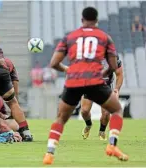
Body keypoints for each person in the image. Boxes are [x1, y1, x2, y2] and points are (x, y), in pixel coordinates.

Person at [43, 7, 128, 165]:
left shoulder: (70, 36)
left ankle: (49, 154)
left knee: (61, 118)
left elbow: (54, 63)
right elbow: (114, 66)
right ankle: (112, 145)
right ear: (96, 21)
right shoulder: (104, 37)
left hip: (74, 81)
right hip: (95, 81)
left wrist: (67, 69)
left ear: (82, 20)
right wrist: (103, 73)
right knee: (116, 110)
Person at [0, 58, 33, 141]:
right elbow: (15, 83)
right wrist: (15, 102)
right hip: (3, 72)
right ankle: (26, 133)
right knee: (13, 103)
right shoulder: (8, 63)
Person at [81, 55, 123, 140]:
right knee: (84, 111)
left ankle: (102, 131)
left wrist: (116, 90)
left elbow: (119, 74)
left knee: (106, 113)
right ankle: (88, 125)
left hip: (105, 87)